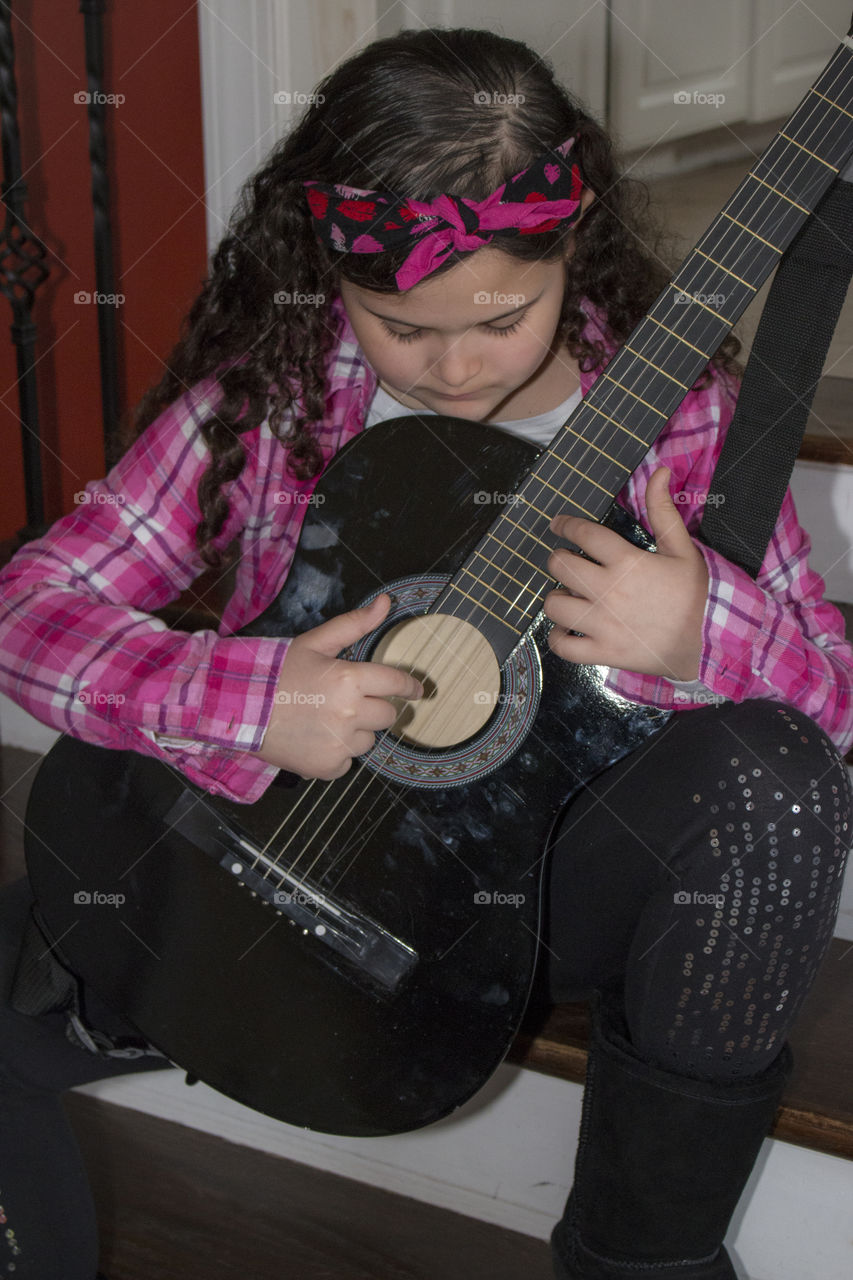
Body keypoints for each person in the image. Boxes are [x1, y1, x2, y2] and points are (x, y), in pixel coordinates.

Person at [0, 25, 851, 1280]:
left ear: (571, 247)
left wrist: (701, 632)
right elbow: (32, 609)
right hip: (288, 856)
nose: (452, 366)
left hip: (540, 885)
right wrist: (247, 694)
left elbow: (832, 712)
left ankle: (641, 1258)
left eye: (499, 318)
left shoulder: (686, 420)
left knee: (774, 784)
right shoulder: (286, 389)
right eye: (400, 326)